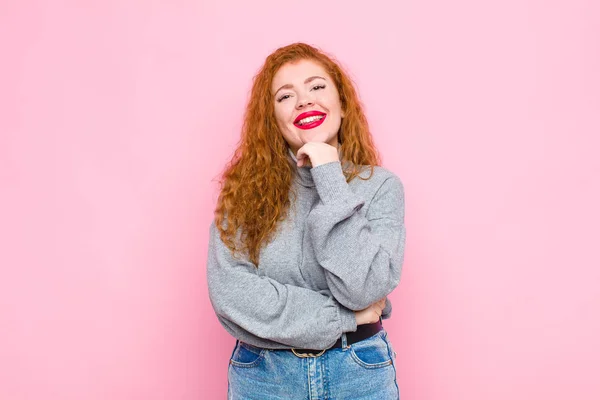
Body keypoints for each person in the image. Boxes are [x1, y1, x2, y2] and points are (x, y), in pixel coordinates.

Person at [206, 42, 406, 399]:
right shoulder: (243, 193)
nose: (303, 101)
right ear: (273, 120)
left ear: (342, 105)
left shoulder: (381, 187)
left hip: (358, 372)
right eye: (285, 96)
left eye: (316, 87)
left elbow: (364, 289)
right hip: (264, 376)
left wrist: (328, 173)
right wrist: (346, 317)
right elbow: (232, 295)